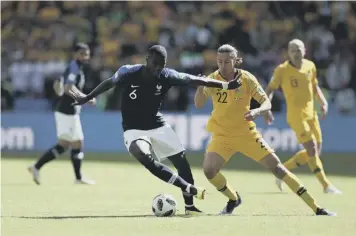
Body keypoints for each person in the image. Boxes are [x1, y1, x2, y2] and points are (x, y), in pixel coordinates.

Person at [68, 45, 241, 216]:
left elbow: (196, 80)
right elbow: (108, 83)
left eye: (162, 64)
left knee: (182, 164)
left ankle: (190, 207)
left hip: (157, 125)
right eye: (155, 63)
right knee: (142, 154)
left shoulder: (167, 75)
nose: (158, 68)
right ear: (147, 60)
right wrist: (88, 97)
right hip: (133, 129)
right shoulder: (127, 72)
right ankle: (189, 188)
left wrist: (226, 86)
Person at [194, 44, 336, 216]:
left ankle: (316, 208)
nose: (222, 66)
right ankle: (233, 199)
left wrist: (258, 111)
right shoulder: (213, 79)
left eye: (227, 62)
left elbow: (266, 102)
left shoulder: (246, 79)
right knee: (209, 170)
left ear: (235, 61)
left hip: (247, 134)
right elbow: (199, 103)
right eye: (219, 61)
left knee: (278, 168)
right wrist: (200, 87)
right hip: (222, 136)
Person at [264, 39, 342, 194]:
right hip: (296, 116)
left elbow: (314, 86)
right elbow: (270, 89)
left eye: (298, 49)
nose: (295, 53)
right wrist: (266, 107)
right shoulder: (282, 70)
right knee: (312, 149)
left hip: (311, 113)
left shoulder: (310, 66)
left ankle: (282, 171)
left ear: (304, 51)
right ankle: (326, 186)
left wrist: (323, 101)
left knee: (315, 152)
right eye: (292, 50)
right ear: (288, 52)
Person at [28, 43, 96, 185]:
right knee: (67, 144)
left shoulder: (76, 68)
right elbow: (67, 88)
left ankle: (76, 177)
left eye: (87, 54)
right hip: (67, 111)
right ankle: (37, 167)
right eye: (82, 54)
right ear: (75, 54)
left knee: (74, 143)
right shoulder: (74, 68)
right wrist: (85, 98)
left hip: (70, 111)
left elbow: (63, 85)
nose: (85, 57)